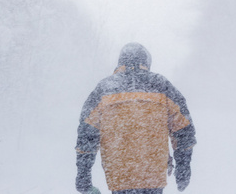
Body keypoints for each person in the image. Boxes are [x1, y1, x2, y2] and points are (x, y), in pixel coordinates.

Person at [75, 43, 196, 194]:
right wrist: (183, 168)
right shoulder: (161, 85)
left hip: (119, 174)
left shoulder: (105, 88)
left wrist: (83, 176)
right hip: (152, 174)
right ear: (146, 62)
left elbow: (87, 133)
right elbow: (184, 129)